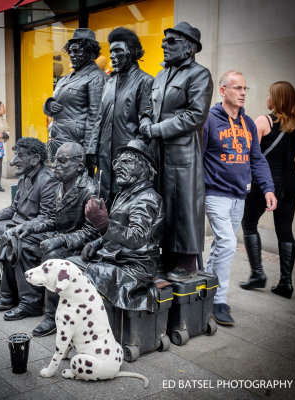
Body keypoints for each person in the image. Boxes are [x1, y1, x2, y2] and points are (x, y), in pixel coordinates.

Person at [139, 22, 213, 282]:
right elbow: (147, 107)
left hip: (182, 155)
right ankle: (166, 256)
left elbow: (195, 115)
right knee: (161, 205)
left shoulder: (199, 74)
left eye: (171, 41)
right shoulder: (160, 76)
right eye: (164, 40)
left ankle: (186, 261)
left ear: (189, 47)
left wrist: (157, 129)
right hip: (157, 154)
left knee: (183, 206)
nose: (163, 45)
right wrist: (146, 121)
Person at [203, 70, 278, 326]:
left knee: (219, 247)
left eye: (245, 88)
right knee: (226, 244)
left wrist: (268, 188)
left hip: (239, 196)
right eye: (237, 88)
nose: (243, 93)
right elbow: (197, 159)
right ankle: (218, 301)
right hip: (215, 194)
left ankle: (204, 287)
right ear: (223, 91)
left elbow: (256, 158)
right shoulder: (209, 121)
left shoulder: (247, 124)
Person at [1, 142, 98, 332]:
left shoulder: (90, 190)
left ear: (79, 166)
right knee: (22, 241)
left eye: (62, 161)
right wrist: (30, 226)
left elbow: (91, 232)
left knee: (53, 256)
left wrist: (60, 240)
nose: (55, 165)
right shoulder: (60, 185)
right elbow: (52, 219)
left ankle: (52, 318)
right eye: (55, 161)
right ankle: (31, 302)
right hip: (59, 236)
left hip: (80, 245)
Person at [70, 139, 164, 312]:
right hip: (115, 258)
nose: (118, 167)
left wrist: (104, 224)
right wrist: (96, 243)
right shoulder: (124, 194)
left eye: (126, 161)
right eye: (117, 162)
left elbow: (137, 237)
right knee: (67, 264)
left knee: (75, 273)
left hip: (134, 265)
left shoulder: (148, 198)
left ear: (144, 167)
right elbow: (118, 230)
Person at [0, 138, 57, 301]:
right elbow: (13, 208)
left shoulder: (47, 179)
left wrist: (19, 228)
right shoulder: (25, 176)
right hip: (17, 222)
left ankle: (11, 294)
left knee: (13, 238)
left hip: (32, 228)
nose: (14, 161)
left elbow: (47, 217)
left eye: (19, 156)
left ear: (35, 159)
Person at [240, 81, 295, 299]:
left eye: (270, 94)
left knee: (249, 222)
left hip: (263, 183)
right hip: (289, 183)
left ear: (276, 99)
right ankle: (286, 283)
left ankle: (258, 274)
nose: (267, 98)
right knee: (285, 230)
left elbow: (253, 156)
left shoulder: (263, 120)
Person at [87, 27, 153, 199]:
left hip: (127, 158)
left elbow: (145, 124)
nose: (112, 56)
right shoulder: (109, 83)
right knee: (102, 201)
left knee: (124, 204)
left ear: (132, 52)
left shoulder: (145, 81)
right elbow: (98, 118)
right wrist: (92, 149)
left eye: (118, 51)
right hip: (104, 156)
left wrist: (132, 157)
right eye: (111, 52)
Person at [43, 28, 108, 170]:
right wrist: (49, 104)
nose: (71, 55)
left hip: (75, 146)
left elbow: (96, 116)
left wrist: (89, 150)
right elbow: (57, 101)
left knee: (76, 187)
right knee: (56, 185)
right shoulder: (66, 78)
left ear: (90, 53)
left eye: (77, 51)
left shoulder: (97, 77)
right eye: (70, 51)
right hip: (58, 141)